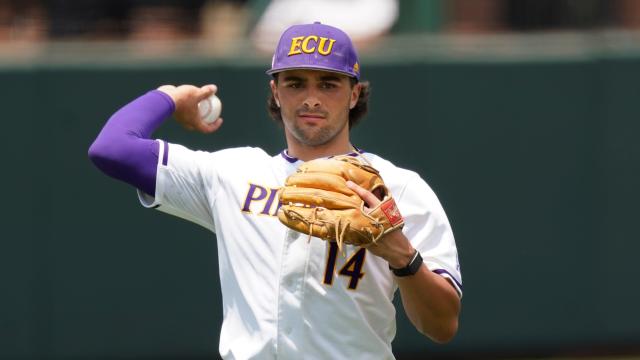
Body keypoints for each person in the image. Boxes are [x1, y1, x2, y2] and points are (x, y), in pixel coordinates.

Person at [88, 22, 462, 359]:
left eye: (328, 84)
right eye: (295, 83)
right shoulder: (233, 174)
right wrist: (169, 96)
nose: (311, 98)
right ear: (276, 91)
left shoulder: (397, 187)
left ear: (353, 94)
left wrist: (401, 255)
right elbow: (112, 149)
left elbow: (442, 326)